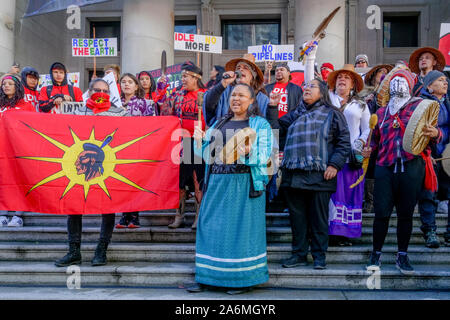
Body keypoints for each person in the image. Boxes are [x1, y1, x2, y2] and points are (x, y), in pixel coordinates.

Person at [187, 83, 274, 294]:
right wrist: (199, 142)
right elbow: (207, 156)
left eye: (242, 95)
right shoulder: (219, 121)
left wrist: (246, 152)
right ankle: (207, 277)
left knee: (239, 232)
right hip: (216, 181)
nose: (236, 98)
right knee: (210, 227)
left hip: (243, 183)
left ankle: (240, 279)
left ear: (252, 100)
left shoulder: (260, 125)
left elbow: (265, 156)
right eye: (233, 95)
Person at [266, 78, 351, 269]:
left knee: (318, 219)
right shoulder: (295, 114)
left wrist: (335, 165)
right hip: (293, 176)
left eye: (312, 86)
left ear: (322, 92)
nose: (306, 88)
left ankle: (319, 256)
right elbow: (274, 131)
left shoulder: (333, 114)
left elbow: (344, 142)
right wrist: (272, 106)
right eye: (305, 86)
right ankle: (299, 254)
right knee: (298, 220)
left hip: (320, 176)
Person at [365, 67, 441, 275]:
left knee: (406, 214)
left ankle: (402, 255)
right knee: (381, 213)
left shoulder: (420, 107)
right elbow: (375, 142)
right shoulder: (380, 112)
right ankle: (376, 253)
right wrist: (366, 148)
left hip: (411, 166)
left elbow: (433, 132)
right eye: (394, 80)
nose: (398, 83)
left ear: (409, 84)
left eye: (402, 79)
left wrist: (436, 133)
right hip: (385, 166)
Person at [55, 78, 127, 268]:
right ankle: (74, 251)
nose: (101, 93)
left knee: (108, 208)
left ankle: (101, 249)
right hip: (80, 169)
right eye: (97, 90)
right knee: (74, 208)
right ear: (89, 91)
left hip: (108, 168)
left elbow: (129, 135)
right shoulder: (78, 111)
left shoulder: (121, 113)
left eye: (105, 90)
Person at [160, 62, 207, 229]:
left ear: (196, 77)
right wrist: (163, 90)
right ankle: (179, 215)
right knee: (179, 181)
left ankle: (198, 215)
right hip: (181, 142)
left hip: (200, 142)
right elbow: (165, 112)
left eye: (186, 76)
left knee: (197, 180)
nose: (183, 79)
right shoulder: (178, 95)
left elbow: (213, 116)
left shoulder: (206, 94)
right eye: (182, 76)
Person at [115, 73, 157, 229]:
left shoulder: (145, 104)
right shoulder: (114, 104)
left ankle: (134, 216)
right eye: (123, 82)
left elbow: (151, 126)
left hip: (137, 148)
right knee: (121, 182)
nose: (126, 84)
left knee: (134, 182)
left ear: (136, 86)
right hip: (117, 148)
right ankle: (123, 215)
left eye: (130, 82)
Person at [416, 71, 449, 248]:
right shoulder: (422, 103)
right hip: (428, 155)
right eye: (440, 80)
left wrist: (441, 134)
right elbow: (418, 130)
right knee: (428, 194)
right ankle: (430, 231)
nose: (445, 83)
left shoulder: (447, 102)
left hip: (446, 155)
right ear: (429, 86)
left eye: (446, 80)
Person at [0, 74, 36, 227]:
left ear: (17, 86)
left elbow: (33, 127)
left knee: (18, 181)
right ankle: (2, 214)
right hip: (2, 150)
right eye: (4, 84)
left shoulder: (26, 105)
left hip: (19, 150)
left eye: (10, 83)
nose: (6, 86)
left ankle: (17, 216)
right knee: (2, 181)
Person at [359, 64, 393, 213]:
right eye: (381, 72)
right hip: (371, 135)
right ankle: (370, 200)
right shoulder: (365, 94)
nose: (383, 75)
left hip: (387, 135)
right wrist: (365, 102)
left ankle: (387, 201)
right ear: (373, 76)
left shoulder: (393, 94)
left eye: (386, 73)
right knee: (370, 167)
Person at [204, 54, 269, 127]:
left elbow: (267, 125)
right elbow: (208, 103)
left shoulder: (262, 99)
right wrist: (223, 84)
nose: (240, 70)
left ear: (253, 75)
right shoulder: (225, 91)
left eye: (246, 68)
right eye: (238, 67)